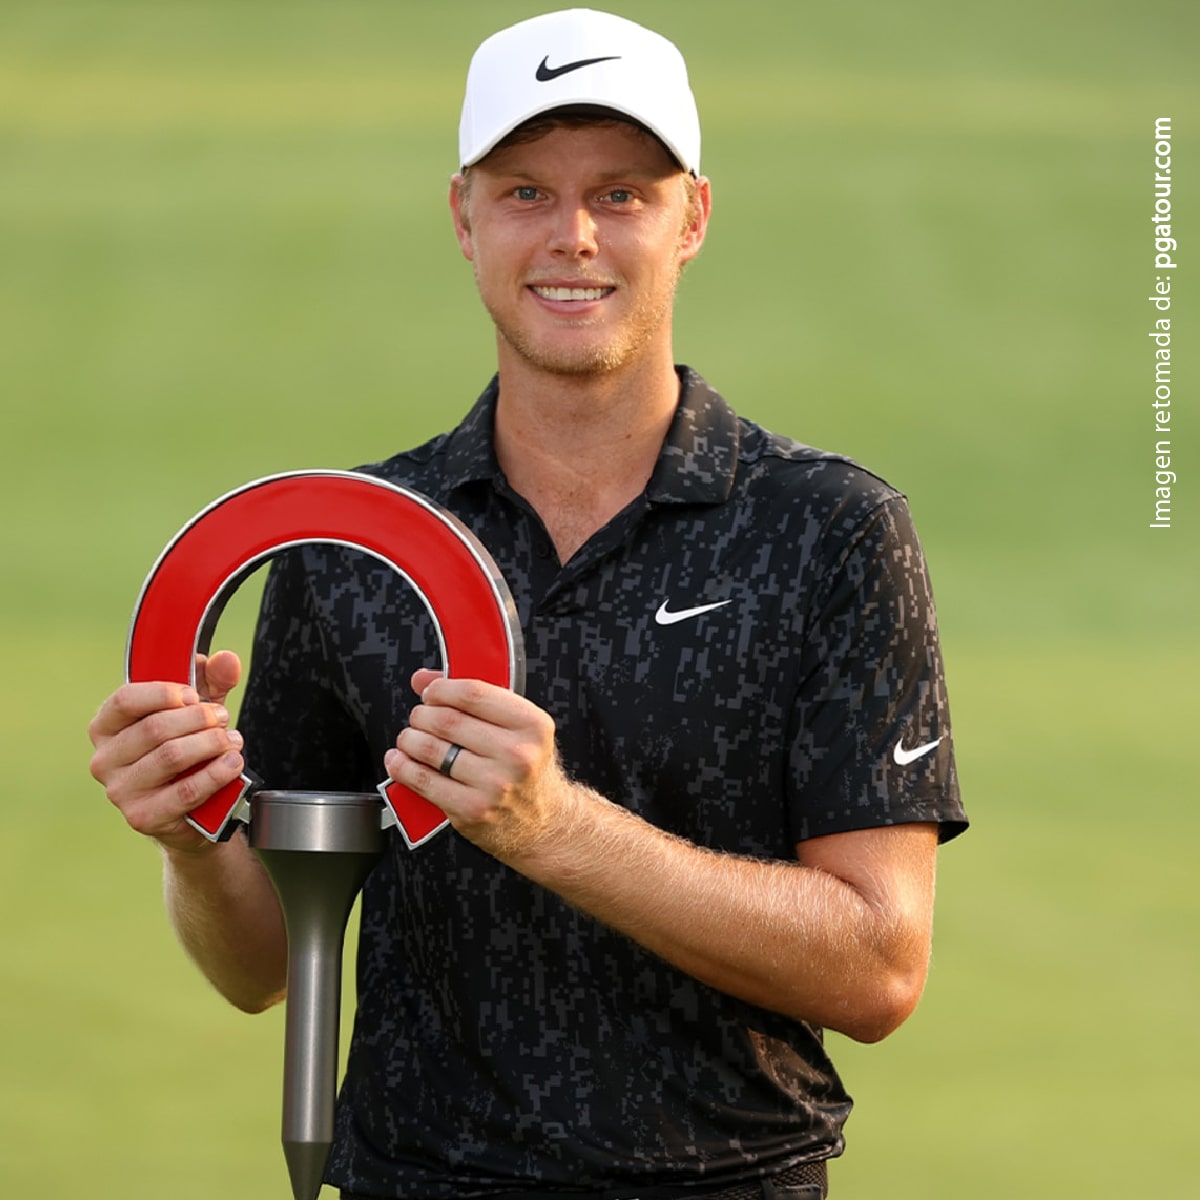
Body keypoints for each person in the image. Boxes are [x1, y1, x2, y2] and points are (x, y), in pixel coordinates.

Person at [88, 9, 967, 1200]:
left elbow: (878, 970)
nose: (573, 236)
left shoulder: (829, 531)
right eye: (525, 193)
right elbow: (267, 965)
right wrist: (189, 835)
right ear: (463, 218)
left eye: (621, 194)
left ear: (692, 218)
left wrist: (555, 828)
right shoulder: (353, 545)